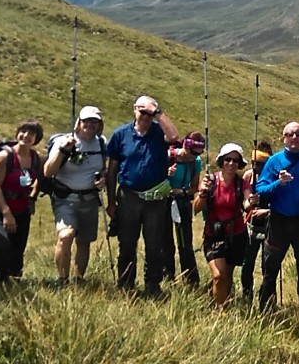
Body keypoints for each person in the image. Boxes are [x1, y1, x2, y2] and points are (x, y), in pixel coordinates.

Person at [104, 95, 180, 297]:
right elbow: (111, 170)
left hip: (155, 199)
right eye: (142, 111)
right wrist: (111, 202)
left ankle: (152, 285)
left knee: (154, 244)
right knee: (127, 243)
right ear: (134, 110)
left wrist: (158, 112)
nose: (145, 116)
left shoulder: (158, 133)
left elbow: (174, 137)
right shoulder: (120, 134)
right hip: (128, 196)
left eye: (149, 113)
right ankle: (125, 284)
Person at [253, 121, 299, 309]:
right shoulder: (273, 162)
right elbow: (260, 190)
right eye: (290, 134)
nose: (294, 137)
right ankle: (266, 306)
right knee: (271, 266)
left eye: (298, 133)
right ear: (283, 138)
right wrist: (278, 183)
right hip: (278, 221)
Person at [45, 106, 107, 286]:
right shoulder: (64, 141)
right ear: (78, 122)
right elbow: (48, 171)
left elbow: (103, 168)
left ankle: (78, 279)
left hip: (89, 200)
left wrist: (102, 179)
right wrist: (64, 151)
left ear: (99, 124)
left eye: (94, 121)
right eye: (86, 120)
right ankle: (62, 280)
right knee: (66, 235)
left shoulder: (101, 142)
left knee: (84, 241)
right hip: (65, 198)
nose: (89, 124)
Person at [0, 119, 44, 285]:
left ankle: (13, 282)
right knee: (1, 242)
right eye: (23, 131)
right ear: (17, 133)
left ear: (36, 138)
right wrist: (6, 213)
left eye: (31, 133)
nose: (26, 136)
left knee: (17, 252)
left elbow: (40, 178)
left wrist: (32, 198)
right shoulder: (5, 156)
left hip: (22, 210)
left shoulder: (35, 158)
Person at [193, 143, 253, 308]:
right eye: (228, 159)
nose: (231, 163)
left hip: (236, 235)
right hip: (214, 235)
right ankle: (219, 312)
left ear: (240, 163)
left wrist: (252, 202)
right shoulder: (210, 181)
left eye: (235, 160)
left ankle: (221, 304)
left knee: (226, 275)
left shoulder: (242, 184)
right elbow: (196, 208)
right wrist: (203, 194)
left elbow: (246, 204)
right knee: (218, 275)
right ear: (222, 161)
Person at [166, 131, 206, 287]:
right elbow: (154, 178)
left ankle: (191, 279)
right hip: (164, 201)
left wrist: (181, 192)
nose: (194, 156)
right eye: (192, 152)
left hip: (182, 202)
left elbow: (194, 187)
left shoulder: (195, 162)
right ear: (185, 146)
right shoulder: (169, 157)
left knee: (185, 242)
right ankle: (167, 276)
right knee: (166, 241)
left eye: (198, 153)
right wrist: (166, 174)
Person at [239, 141, 273, 304]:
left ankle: (265, 298)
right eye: (255, 163)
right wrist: (250, 204)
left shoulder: (274, 177)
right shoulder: (248, 176)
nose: (257, 167)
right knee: (247, 263)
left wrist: (266, 211)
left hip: (269, 225)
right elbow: (242, 203)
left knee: (267, 265)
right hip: (251, 225)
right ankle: (246, 294)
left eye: (261, 164)